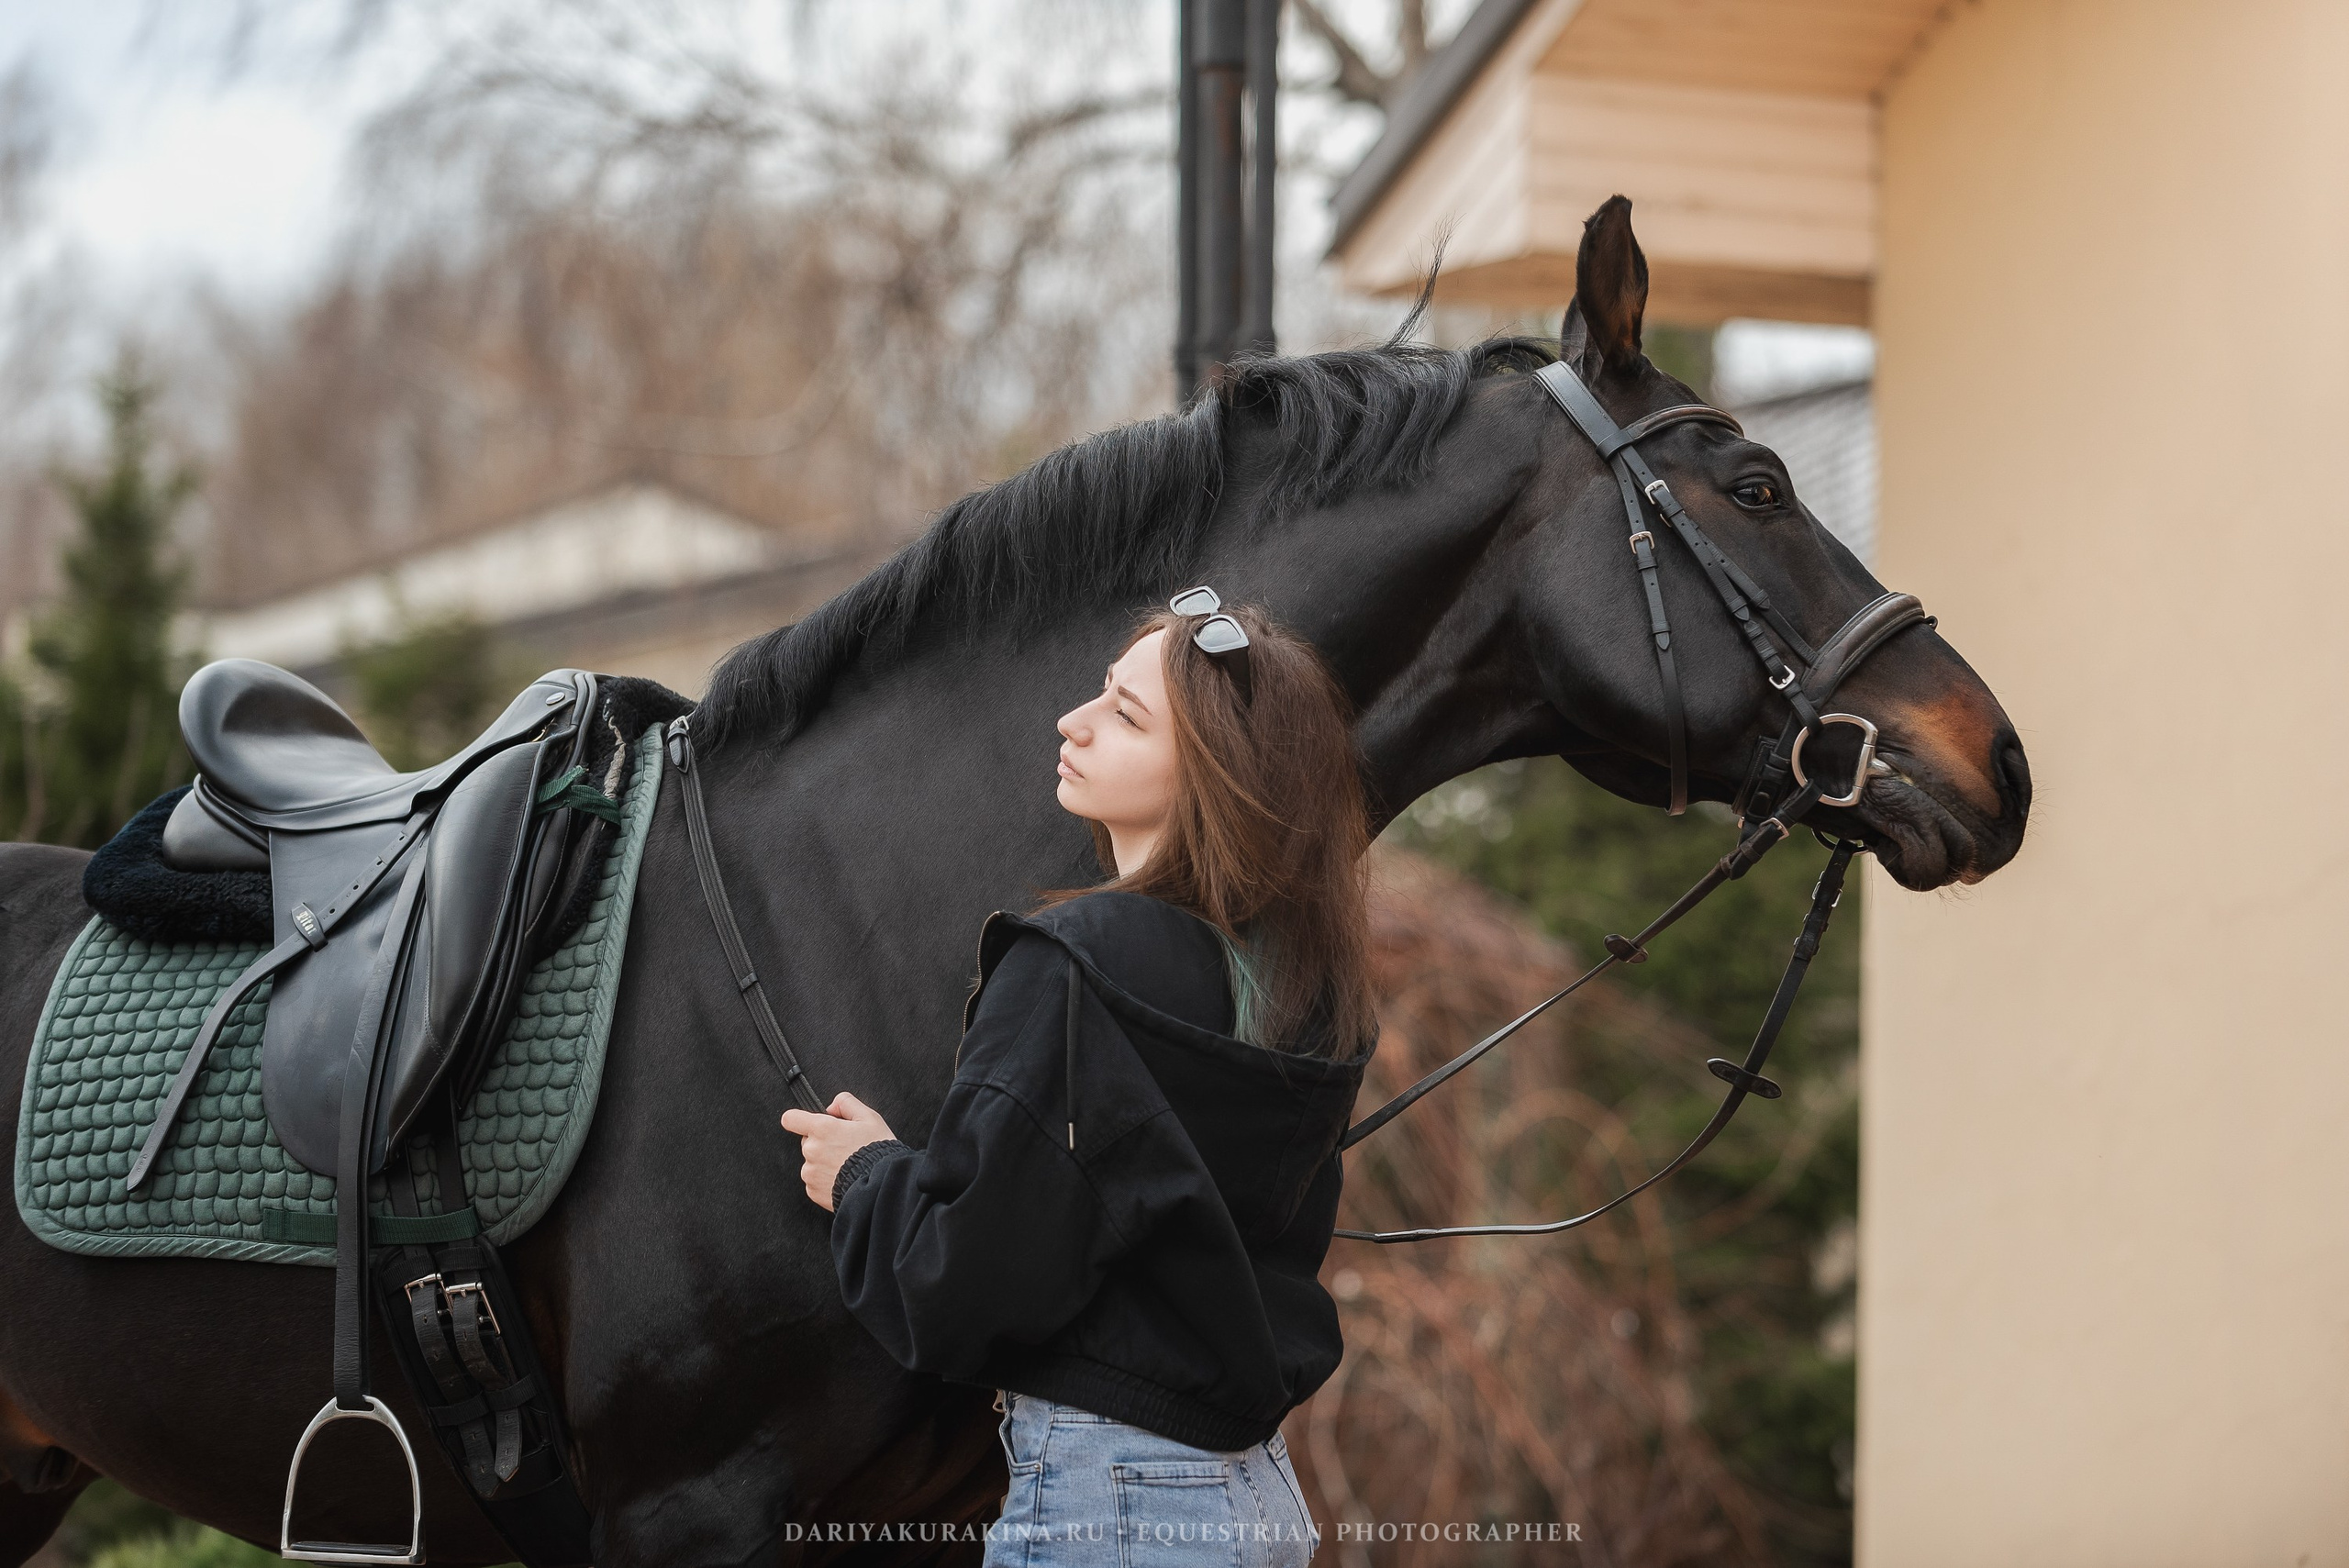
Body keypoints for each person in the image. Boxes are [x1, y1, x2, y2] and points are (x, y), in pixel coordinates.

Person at [782, 586, 1377, 1567]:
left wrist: (866, 1175)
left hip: (1120, 1507)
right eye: (1101, 690)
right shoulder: (1313, 990)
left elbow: (961, 1285)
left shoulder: (1073, 964)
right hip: (1254, 1494)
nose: (1074, 719)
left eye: (1125, 715)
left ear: (1218, 777)